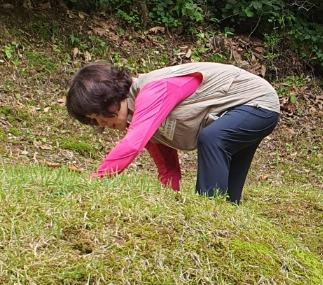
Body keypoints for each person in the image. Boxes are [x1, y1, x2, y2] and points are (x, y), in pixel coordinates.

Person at [65, 61, 281, 203]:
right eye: (94, 121)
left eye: (99, 114)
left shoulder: (153, 91)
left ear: (110, 96)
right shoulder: (142, 120)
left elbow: (131, 145)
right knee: (227, 200)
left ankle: (208, 215)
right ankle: (225, 224)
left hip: (257, 104)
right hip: (244, 112)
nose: (102, 123)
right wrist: (171, 204)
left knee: (213, 139)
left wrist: (93, 183)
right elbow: (168, 168)